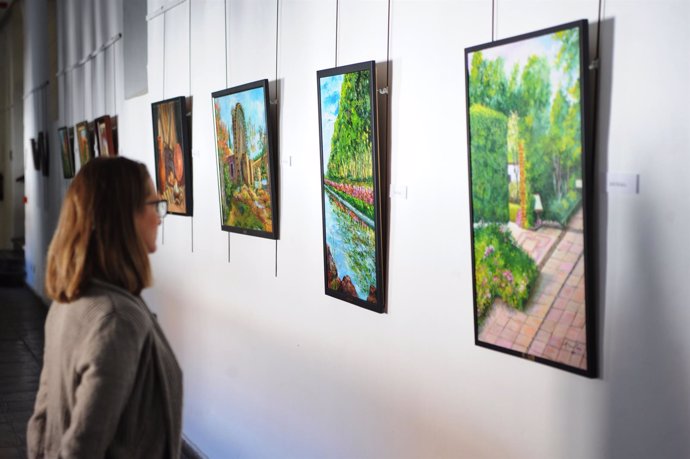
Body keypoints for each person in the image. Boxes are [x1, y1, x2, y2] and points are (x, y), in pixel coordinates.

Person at [27, 156, 183, 459]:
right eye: (154, 204)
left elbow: (40, 423)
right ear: (124, 218)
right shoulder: (116, 319)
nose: (160, 217)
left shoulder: (69, 301)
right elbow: (83, 446)